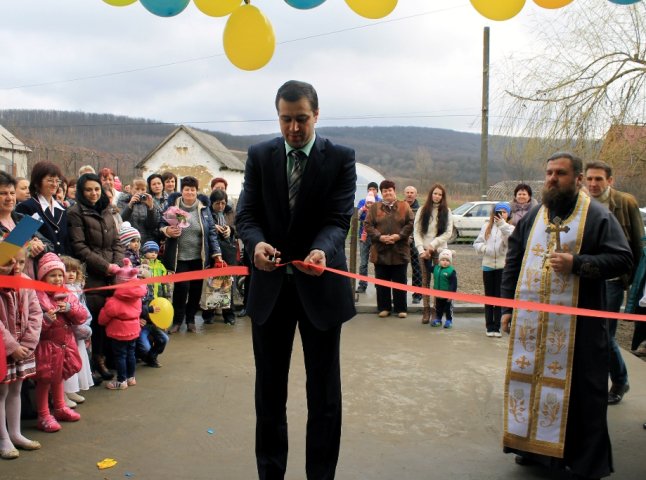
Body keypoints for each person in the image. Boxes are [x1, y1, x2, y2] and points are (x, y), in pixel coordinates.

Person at [236, 80, 356, 480]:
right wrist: (255, 245)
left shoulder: (340, 158)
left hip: (320, 290)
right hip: (270, 291)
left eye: (301, 119)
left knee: (324, 396)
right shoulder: (259, 155)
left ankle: (320, 475)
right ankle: (270, 473)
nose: (293, 128)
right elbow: (247, 215)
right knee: (269, 394)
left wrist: (323, 250)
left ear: (316, 115)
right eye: (285, 119)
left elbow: (338, 219)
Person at [500, 152, 633, 480]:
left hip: (581, 325)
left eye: (559, 173)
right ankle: (532, 449)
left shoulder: (598, 216)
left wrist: (577, 263)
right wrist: (506, 308)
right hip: (533, 324)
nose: (551, 179)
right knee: (529, 385)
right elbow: (513, 260)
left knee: (583, 394)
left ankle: (585, 462)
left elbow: (622, 259)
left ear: (576, 180)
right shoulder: (534, 216)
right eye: (548, 173)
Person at [584, 160, 644, 405]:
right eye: (589, 179)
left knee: (605, 335)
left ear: (610, 180)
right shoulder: (582, 203)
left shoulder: (625, 202)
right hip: (587, 277)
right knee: (589, 334)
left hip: (613, 280)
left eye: (598, 179)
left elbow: (638, 245)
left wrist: (632, 282)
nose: (593, 184)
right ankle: (592, 382)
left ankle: (619, 381)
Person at [67, 173, 125, 382]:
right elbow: (79, 247)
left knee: (113, 314)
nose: (93, 193)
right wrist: (105, 266)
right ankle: (96, 360)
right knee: (97, 318)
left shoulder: (107, 209)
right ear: (82, 192)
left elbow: (117, 241)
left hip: (112, 272)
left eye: (96, 189)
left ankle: (108, 356)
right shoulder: (75, 212)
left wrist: (117, 264)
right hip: (93, 274)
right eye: (89, 190)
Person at [160, 176, 222, 334]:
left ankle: (191, 320)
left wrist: (216, 254)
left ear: (196, 191)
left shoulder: (203, 208)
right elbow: (160, 224)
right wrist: (167, 230)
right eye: (186, 189)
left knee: (195, 290)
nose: (189, 192)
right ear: (182, 191)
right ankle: (177, 321)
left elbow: (212, 233)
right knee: (181, 288)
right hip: (179, 257)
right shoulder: (173, 206)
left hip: (199, 258)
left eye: (192, 190)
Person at [34, 253, 87, 432]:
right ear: (42, 276)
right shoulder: (37, 296)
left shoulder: (67, 293)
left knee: (59, 377)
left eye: (59, 275)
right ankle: (43, 414)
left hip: (64, 343)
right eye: (52, 275)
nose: (57, 279)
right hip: (47, 345)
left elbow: (81, 316)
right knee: (45, 381)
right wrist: (47, 320)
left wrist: (70, 309)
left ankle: (59, 407)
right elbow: (33, 324)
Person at [0, 249, 43, 459]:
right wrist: (11, 346)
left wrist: (27, 343)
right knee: (1, 393)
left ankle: (15, 433)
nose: (17, 266)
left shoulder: (25, 281)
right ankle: (3, 438)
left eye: (21, 262)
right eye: (11, 262)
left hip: (23, 347)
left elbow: (36, 312)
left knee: (17, 389)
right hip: (4, 349)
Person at [365, 180, 414, 319]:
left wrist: (399, 236)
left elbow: (410, 223)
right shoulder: (375, 207)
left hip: (399, 250)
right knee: (382, 281)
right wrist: (380, 237)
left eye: (390, 190)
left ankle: (401, 308)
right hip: (380, 251)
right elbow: (368, 225)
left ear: (394, 191)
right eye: (385, 191)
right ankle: (384, 307)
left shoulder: (404, 206)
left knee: (400, 281)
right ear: (382, 193)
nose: (387, 193)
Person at [98, 258, 144, 390]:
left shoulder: (114, 301)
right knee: (131, 354)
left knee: (120, 356)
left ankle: (121, 380)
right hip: (134, 330)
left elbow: (102, 319)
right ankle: (131, 377)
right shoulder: (137, 298)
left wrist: (104, 308)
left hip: (119, 332)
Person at [413, 183, 453, 324]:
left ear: (443, 197)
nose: (437, 196)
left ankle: (437, 310)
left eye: (440, 194)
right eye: (435, 193)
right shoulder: (422, 210)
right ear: (431, 195)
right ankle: (426, 310)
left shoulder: (447, 211)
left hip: (440, 252)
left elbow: (448, 233)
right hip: (424, 252)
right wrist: (421, 250)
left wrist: (433, 245)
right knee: (425, 281)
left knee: (439, 281)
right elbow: (416, 232)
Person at [473, 202, 514, 337]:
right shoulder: (486, 226)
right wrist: (486, 249)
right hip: (488, 266)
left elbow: (511, 243)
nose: (501, 214)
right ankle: (489, 326)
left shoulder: (510, 228)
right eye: (499, 211)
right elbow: (477, 243)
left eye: (504, 211)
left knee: (499, 297)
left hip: (502, 267)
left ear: (508, 214)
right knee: (489, 297)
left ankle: (497, 327)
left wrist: (503, 226)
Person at [16, 161, 70, 255]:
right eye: (50, 180)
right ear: (37, 182)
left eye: (57, 181)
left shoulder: (61, 209)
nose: (54, 184)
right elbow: (22, 238)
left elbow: (66, 241)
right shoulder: (27, 207)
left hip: (61, 264)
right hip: (39, 264)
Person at [60, 256, 94, 403]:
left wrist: (85, 324)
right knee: (67, 362)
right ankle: (63, 394)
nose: (71, 274)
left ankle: (72, 390)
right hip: (68, 332)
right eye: (67, 271)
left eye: (74, 271)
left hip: (79, 331)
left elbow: (82, 308)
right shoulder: (61, 291)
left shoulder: (77, 289)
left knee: (77, 359)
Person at [203, 188, 237, 325]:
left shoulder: (230, 212)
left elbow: (238, 227)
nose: (220, 206)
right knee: (213, 284)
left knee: (228, 283)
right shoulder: (207, 214)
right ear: (212, 203)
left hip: (228, 251)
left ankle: (229, 314)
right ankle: (209, 314)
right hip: (213, 252)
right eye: (217, 203)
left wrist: (231, 229)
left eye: (223, 203)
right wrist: (213, 228)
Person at [117, 177, 160, 247]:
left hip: (146, 242)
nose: (140, 192)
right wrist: (130, 205)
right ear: (131, 189)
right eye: (137, 189)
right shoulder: (123, 201)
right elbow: (120, 220)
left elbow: (153, 225)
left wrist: (151, 208)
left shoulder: (150, 202)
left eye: (143, 189)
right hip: (128, 242)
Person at [355, 182, 380, 294]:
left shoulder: (380, 202)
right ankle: (362, 284)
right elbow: (357, 216)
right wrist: (364, 208)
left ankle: (379, 284)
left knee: (378, 261)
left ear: (377, 191)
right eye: (370, 189)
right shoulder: (362, 201)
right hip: (363, 236)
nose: (372, 191)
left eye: (374, 189)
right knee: (363, 262)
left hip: (376, 236)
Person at [404, 186, 423, 304]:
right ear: (404, 194)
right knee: (401, 269)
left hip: (416, 242)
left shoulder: (420, 210)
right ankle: (401, 293)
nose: (410, 195)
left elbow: (421, 227)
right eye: (408, 192)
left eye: (412, 193)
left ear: (415, 195)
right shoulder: (400, 206)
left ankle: (417, 294)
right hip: (402, 241)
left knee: (417, 268)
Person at [430, 249, 457, 328]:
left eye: (447, 260)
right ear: (439, 260)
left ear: (450, 262)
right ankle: (438, 319)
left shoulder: (451, 271)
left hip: (447, 295)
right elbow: (428, 268)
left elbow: (453, 284)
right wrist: (426, 259)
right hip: (438, 295)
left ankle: (449, 320)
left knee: (448, 308)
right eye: (443, 260)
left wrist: (451, 295)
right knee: (439, 308)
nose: (445, 262)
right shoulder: (436, 268)